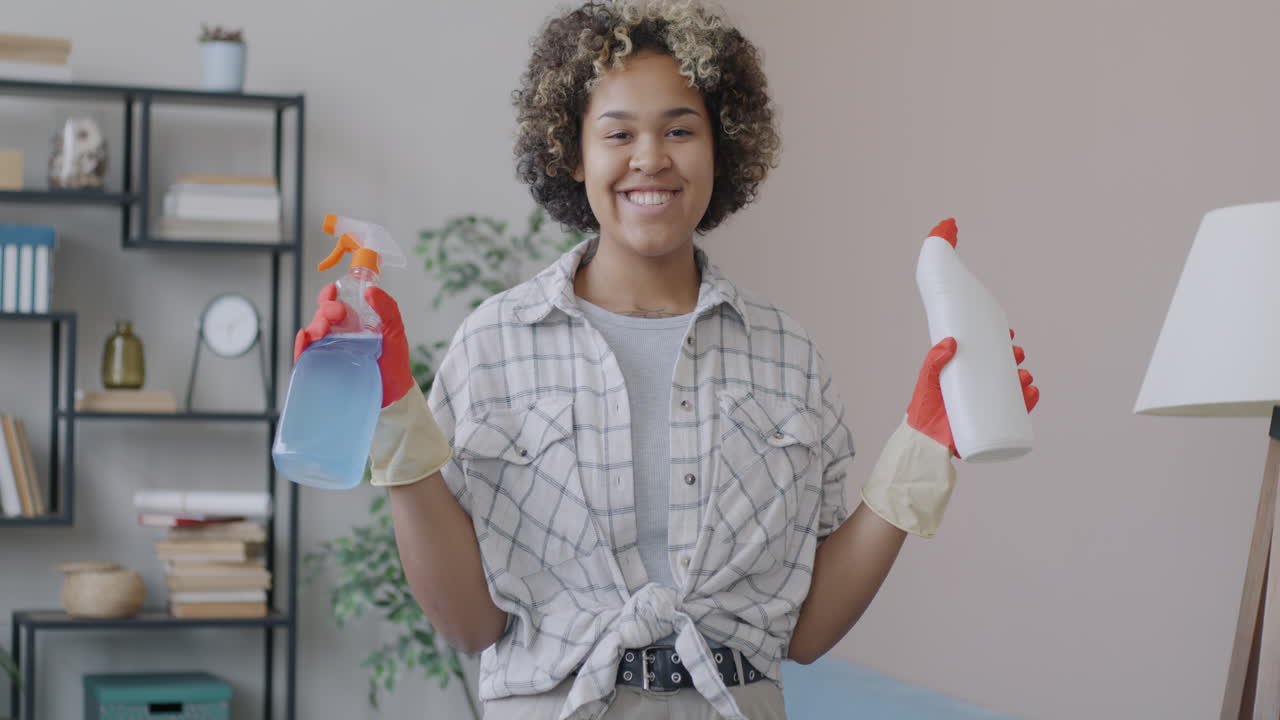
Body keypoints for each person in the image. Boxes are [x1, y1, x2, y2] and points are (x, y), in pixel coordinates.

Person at [294, 1, 1040, 718]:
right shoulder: (494, 343)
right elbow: (468, 626)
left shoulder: (785, 354)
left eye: (680, 129)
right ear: (572, 155)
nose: (649, 158)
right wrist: (395, 410)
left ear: (723, 148)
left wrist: (923, 446)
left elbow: (807, 631)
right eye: (617, 134)